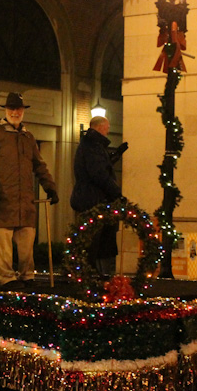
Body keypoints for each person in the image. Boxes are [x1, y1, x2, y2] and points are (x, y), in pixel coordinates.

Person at [0, 92, 58, 289]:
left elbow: (39, 165)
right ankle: (6, 277)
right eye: (12, 108)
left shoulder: (28, 137)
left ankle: (26, 275)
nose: (15, 112)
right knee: (2, 243)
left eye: (18, 109)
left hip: (24, 201)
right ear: (6, 110)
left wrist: (50, 187)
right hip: (2, 199)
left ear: (22, 111)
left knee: (26, 241)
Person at [70, 116, 123, 279]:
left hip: (89, 198)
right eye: (107, 128)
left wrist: (113, 157)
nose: (108, 132)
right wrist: (117, 193)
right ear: (100, 128)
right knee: (95, 242)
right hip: (93, 200)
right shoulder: (93, 146)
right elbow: (98, 174)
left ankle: (94, 274)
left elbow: (98, 168)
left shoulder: (90, 145)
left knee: (95, 241)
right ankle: (94, 276)